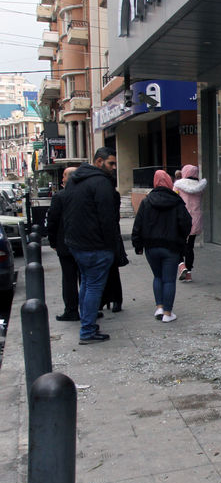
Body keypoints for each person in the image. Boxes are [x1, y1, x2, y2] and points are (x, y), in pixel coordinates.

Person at [62, 147, 119, 345]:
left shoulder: (75, 181)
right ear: (99, 162)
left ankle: (87, 324)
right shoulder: (100, 182)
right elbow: (107, 218)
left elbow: (66, 211)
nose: (113, 168)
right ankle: (87, 330)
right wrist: (111, 246)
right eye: (111, 163)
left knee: (86, 283)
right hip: (95, 246)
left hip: (78, 244)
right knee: (93, 286)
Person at [132, 170, 191, 323]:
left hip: (151, 247)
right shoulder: (176, 201)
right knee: (169, 280)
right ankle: (168, 312)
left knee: (157, 276)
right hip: (171, 246)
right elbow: (186, 223)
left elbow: (138, 225)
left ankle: (159, 307)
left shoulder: (146, 201)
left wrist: (137, 244)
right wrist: (181, 238)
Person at [46, 166, 80, 322]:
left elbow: (52, 221)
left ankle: (71, 310)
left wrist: (52, 241)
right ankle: (88, 308)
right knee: (84, 278)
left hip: (66, 244)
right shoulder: (84, 194)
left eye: (64, 176)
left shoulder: (60, 197)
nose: (62, 179)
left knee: (69, 279)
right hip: (82, 243)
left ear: (69, 178)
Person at [173, 164, 207, 283]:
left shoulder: (178, 186)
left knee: (177, 244)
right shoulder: (200, 187)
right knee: (190, 246)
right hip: (195, 219)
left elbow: (174, 199)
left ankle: (181, 266)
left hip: (182, 218)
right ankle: (189, 274)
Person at [99, 189, 125, 313]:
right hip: (99, 235)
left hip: (110, 235)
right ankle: (105, 298)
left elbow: (114, 216)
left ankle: (115, 299)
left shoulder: (113, 194)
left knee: (112, 269)